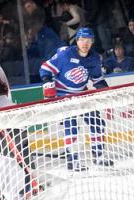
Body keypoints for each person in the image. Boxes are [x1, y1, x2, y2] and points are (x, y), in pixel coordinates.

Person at [40, 27, 110, 170]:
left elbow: (98, 80)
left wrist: (108, 93)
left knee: (97, 122)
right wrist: (48, 83)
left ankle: (98, 155)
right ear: (77, 40)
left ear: (92, 42)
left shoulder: (95, 58)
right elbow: (45, 69)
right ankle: (73, 160)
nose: (85, 43)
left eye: (89, 40)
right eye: (82, 39)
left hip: (80, 93)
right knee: (71, 126)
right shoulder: (65, 54)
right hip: (62, 94)